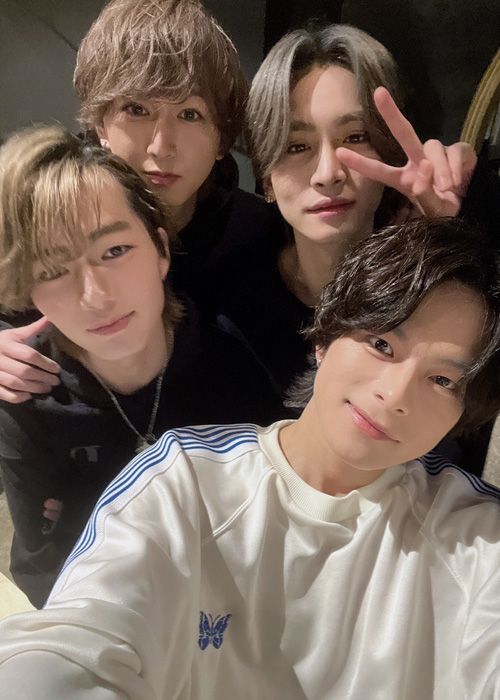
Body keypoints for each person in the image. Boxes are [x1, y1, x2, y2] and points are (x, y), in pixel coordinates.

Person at [1, 217, 500, 698]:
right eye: (382, 344)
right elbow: (77, 641)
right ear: (325, 336)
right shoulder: (184, 482)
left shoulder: (476, 536)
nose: (395, 395)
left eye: (443, 380)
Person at [0, 15, 484, 404]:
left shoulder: (251, 234)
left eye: (190, 113)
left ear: (222, 139)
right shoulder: (49, 215)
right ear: (98, 124)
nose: (161, 145)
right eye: (136, 110)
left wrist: (457, 223)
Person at [0, 125, 283, 608]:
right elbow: (44, 571)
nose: (95, 297)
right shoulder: (27, 396)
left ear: (161, 252)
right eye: (53, 271)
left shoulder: (237, 364)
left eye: (115, 251)